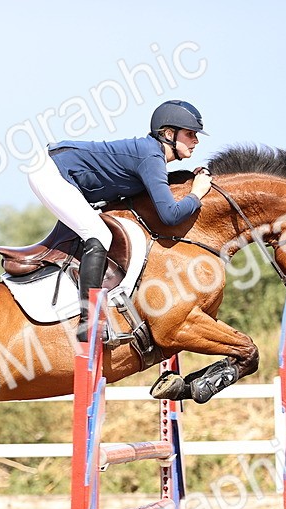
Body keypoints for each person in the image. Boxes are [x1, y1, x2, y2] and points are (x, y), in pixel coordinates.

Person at [28, 99, 213, 340]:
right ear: (168, 133)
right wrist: (197, 193)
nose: (196, 141)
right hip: (51, 171)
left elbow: (158, 188)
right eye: (190, 134)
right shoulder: (150, 156)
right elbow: (170, 215)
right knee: (100, 235)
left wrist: (189, 177)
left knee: (97, 231)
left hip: (59, 169)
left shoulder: (151, 155)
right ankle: (89, 322)